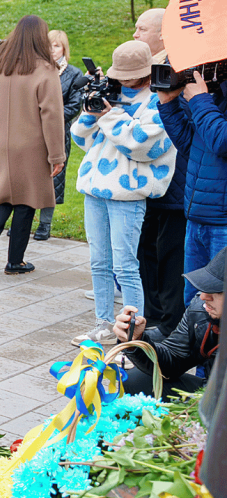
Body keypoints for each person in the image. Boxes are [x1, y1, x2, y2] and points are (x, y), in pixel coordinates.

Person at [69, 40, 175, 347]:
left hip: (128, 194)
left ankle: (132, 333)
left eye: (130, 75)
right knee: (98, 261)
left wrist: (110, 115)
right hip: (96, 189)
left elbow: (142, 144)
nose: (125, 81)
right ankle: (103, 323)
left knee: (126, 265)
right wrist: (93, 108)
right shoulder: (111, 94)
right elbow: (81, 138)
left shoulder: (159, 100)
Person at [0, 16, 66, 275]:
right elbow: (52, 113)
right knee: (27, 200)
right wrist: (57, 154)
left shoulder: (0, 65)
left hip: (2, 141)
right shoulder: (46, 68)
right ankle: (15, 261)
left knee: (4, 195)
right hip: (33, 143)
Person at [156, 53, 227, 327]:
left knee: (219, 305)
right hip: (197, 217)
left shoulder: (207, 99)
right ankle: (197, 367)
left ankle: (214, 371)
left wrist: (199, 99)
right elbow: (192, 148)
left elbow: (222, 141)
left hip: (222, 222)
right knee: (196, 305)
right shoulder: (216, 95)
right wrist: (169, 105)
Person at [131, 9, 188, 337]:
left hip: (174, 183)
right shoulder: (144, 71)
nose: (135, 34)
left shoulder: (176, 68)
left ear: (163, 34)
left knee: (169, 258)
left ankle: (168, 327)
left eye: (142, 29)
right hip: (146, 182)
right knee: (144, 252)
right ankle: (149, 321)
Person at [113, 245, 222, 398]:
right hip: (213, 396)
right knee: (135, 381)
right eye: (205, 287)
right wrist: (137, 341)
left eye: (215, 290)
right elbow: (172, 359)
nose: (204, 296)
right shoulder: (201, 311)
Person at [31, 30, 85, 241]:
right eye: (48, 45)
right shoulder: (34, 71)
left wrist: (48, 117)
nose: (52, 49)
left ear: (64, 48)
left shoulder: (73, 74)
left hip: (56, 133)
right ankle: (24, 219)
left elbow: (74, 106)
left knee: (53, 178)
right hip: (32, 133)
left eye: (56, 45)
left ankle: (45, 224)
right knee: (30, 176)